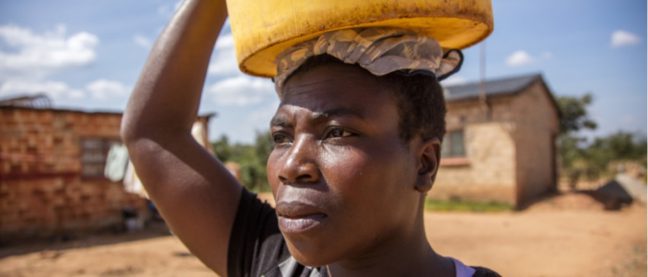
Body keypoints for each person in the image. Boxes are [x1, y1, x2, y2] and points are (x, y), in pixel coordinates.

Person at [121, 0, 500, 276]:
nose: (290, 167)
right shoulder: (274, 263)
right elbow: (153, 134)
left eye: (337, 133)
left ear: (424, 164)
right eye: (282, 137)